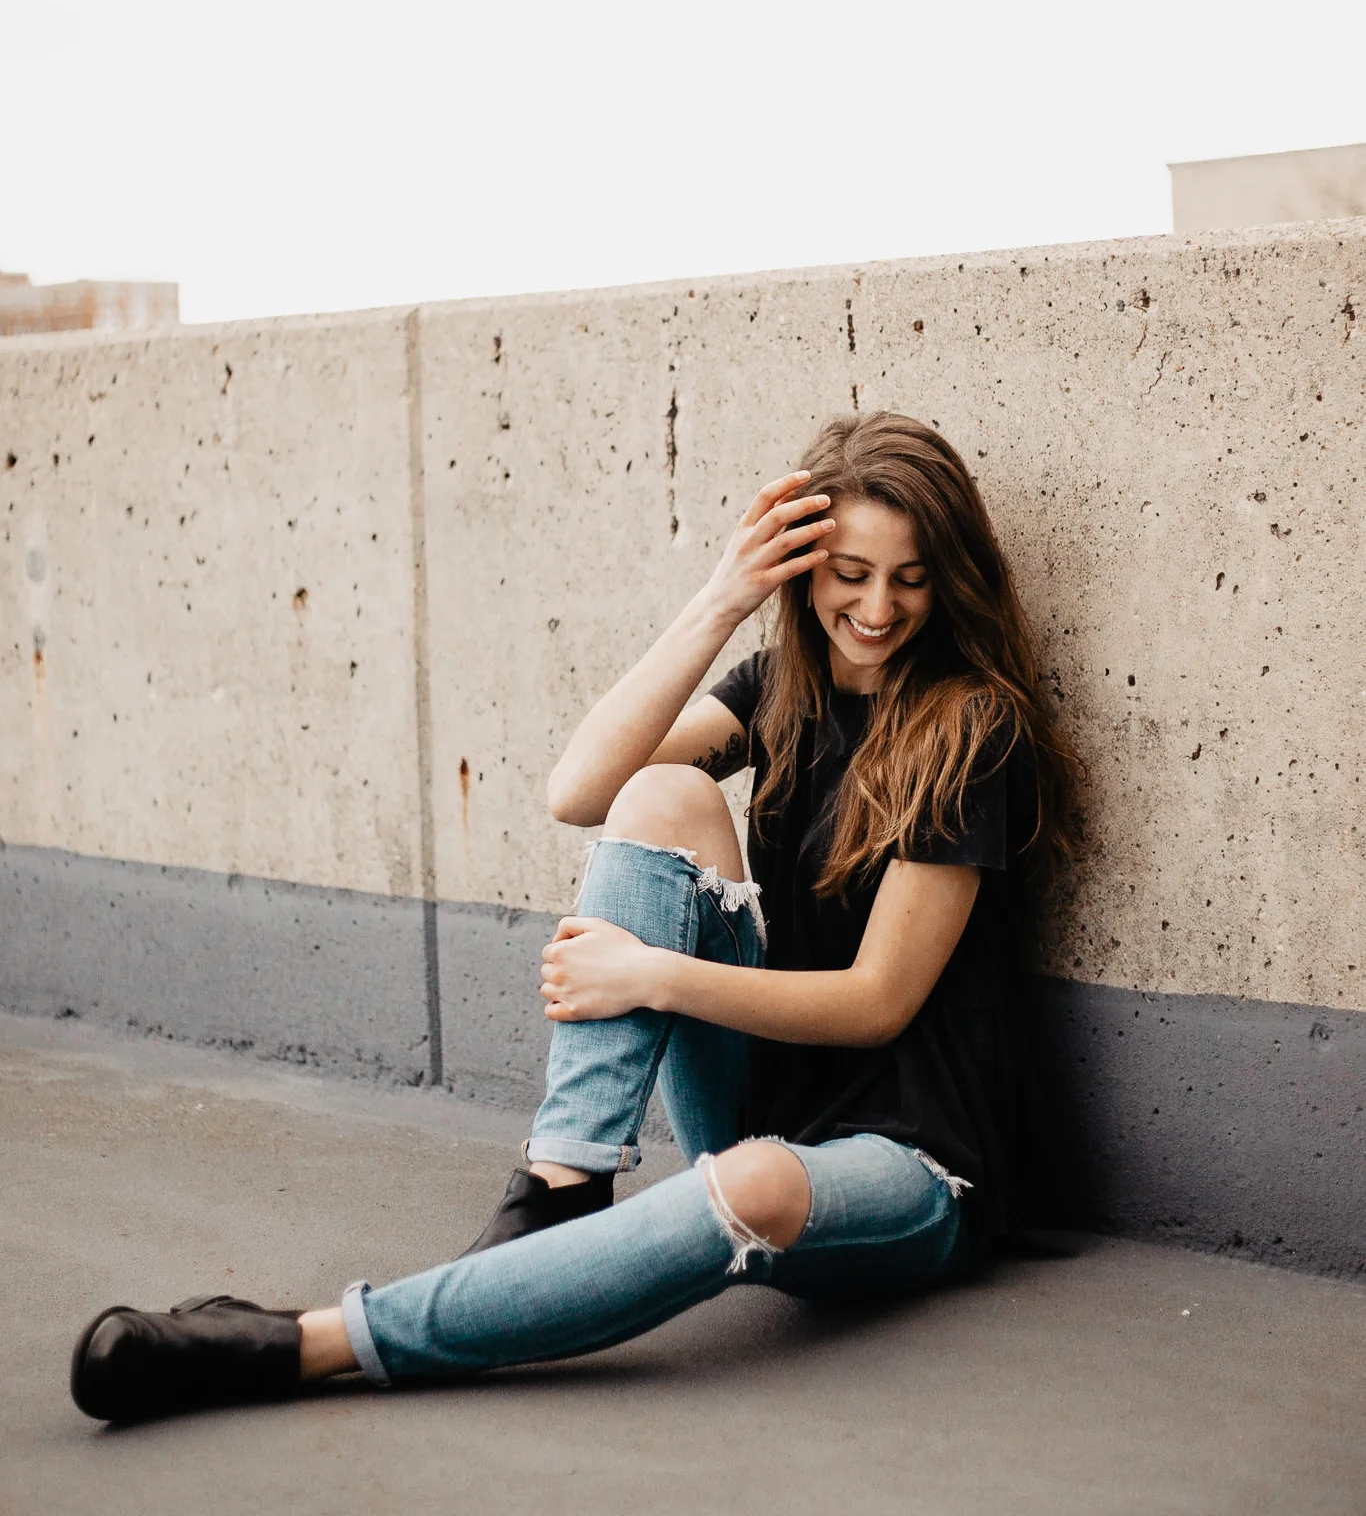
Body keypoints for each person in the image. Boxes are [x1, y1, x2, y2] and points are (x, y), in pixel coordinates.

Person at [70, 410, 1079, 1424]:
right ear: (800, 565)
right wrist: (721, 598)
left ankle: (298, 1341)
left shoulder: (968, 725)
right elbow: (580, 788)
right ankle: (561, 1182)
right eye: (848, 571)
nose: (876, 604)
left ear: (950, 577)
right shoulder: (779, 686)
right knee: (659, 794)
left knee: (755, 1186)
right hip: (769, 1102)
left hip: (912, 1162)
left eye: (909, 576)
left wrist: (653, 977)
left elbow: (876, 1003)